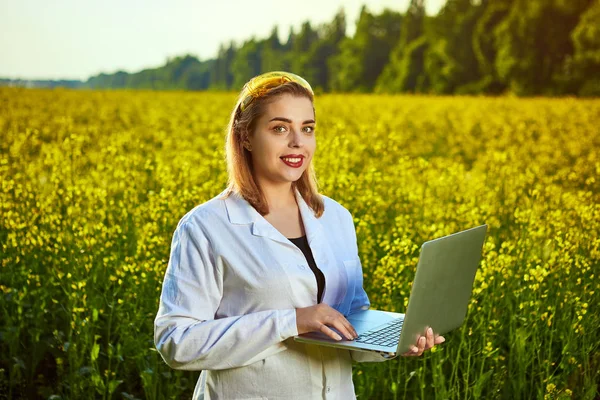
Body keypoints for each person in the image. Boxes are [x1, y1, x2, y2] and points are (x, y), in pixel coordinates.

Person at [153, 71, 445, 400]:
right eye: (280, 128)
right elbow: (176, 341)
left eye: (307, 128)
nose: (297, 142)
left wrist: (394, 342)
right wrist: (291, 322)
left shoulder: (336, 217)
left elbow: (349, 319)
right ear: (246, 137)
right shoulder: (206, 227)